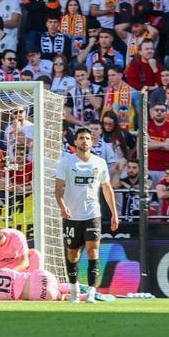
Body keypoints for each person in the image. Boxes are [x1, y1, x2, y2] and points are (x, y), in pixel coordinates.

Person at [54, 127, 119, 303]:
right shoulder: (66, 162)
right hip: (72, 215)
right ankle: (74, 289)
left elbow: (106, 188)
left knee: (93, 250)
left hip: (92, 214)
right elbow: (58, 188)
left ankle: (91, 292)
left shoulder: (99, 162)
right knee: (73, 254)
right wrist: (62, 206)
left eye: (87, 138)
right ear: (75, 142)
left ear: (92, 142)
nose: (84, 141)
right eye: (81, 138)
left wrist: (114, 213)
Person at [0, 226, 39, 295]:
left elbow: (25, 263)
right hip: (0, 269)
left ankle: (36, 285)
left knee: (35, 254)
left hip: (18, 265)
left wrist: (10, 273)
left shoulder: (17, 237)